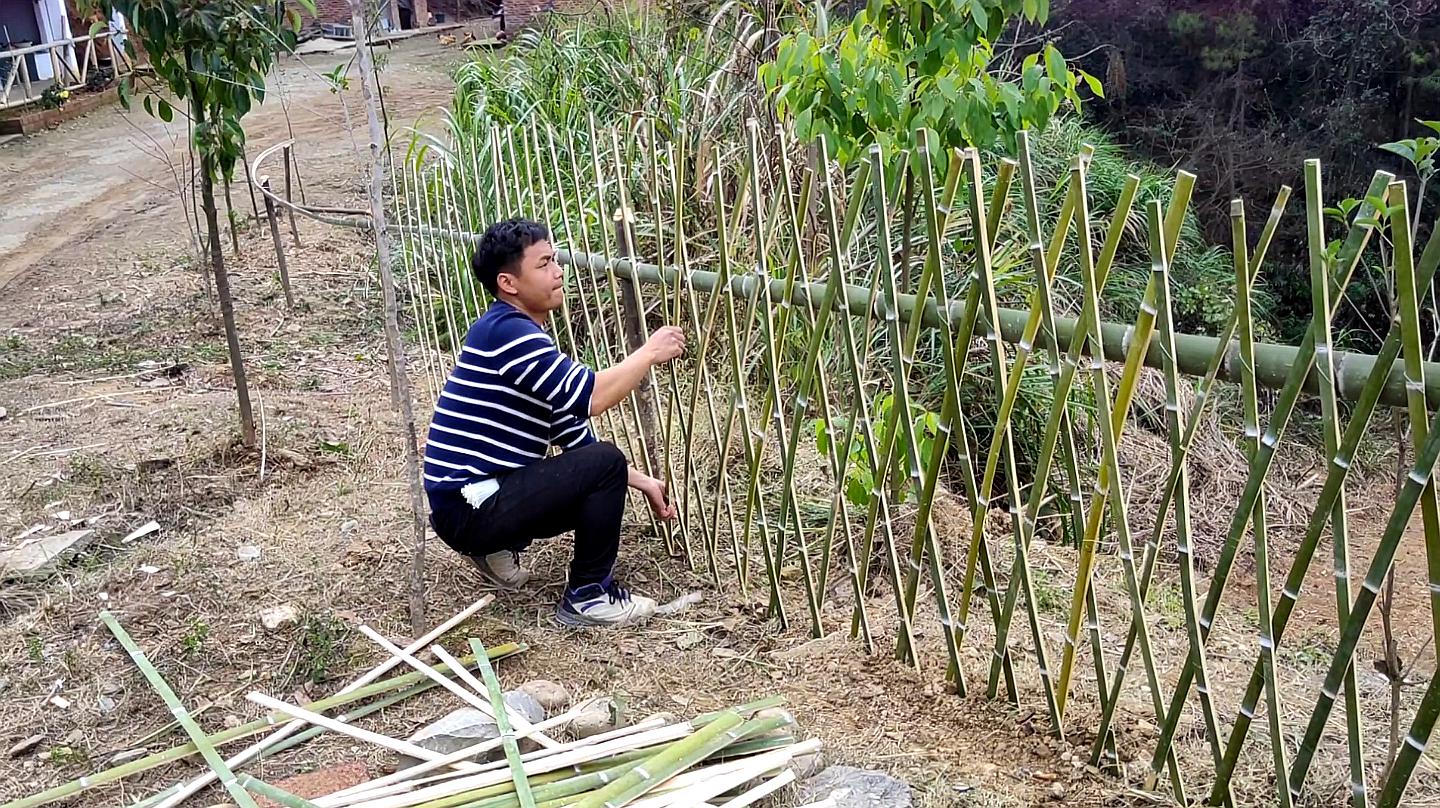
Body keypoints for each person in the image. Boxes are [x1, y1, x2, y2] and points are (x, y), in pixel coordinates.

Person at [422, 218, 685, 628]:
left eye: (556, 260)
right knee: (605, 462)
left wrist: (641, 481)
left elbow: (573, 432)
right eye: (544, 264)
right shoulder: (508, 333)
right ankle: (588, 596)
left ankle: (494, 548)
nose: (558, 271)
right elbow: (593, 398)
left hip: (468, 501)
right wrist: (647, 353)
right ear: (509, 283)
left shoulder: (516, 334)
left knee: (604, 466)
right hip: (467, 506)